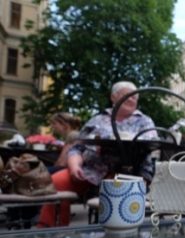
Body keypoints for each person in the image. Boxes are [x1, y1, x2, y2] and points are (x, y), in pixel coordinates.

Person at [37, 81, 158, 228]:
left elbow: (150, 147)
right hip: (91, 171)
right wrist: (75, 166)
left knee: (118, 201)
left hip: (129, 174)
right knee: (57, 181)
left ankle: (119, 237)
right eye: (127, 95)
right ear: (113, 97)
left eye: (135, 97)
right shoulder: (98, 119)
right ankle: (52, 232)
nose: (132, 99)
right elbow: (78, 147)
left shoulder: (144, 121)